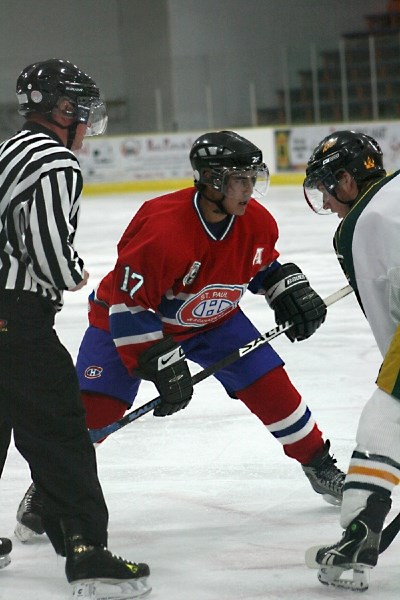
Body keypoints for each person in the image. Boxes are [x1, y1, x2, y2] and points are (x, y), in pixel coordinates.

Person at [16, 130, 346, 543]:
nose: (249, 190)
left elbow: (259, 264)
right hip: (124, 318)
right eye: (239, 180)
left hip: (213, 321)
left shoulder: (256, 221)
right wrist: (160, 366)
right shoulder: (162, 227)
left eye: (252, 178)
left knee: (272, 386)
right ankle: (50, 485)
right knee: (94, 414)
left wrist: (286, 287)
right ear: (211, 181)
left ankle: (318, 462)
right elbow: (130, 306)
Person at [0, 59, 151, 599]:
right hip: (16, 317)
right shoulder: (55, 160)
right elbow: (46, 251)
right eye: (83, 112)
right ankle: (86, 549)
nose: (87, 124)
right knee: (62, 431)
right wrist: (73, 270)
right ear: (60, 110)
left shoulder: (7, 150)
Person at [303, 130, 400, 592]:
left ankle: (362, 527)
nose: (328, 204)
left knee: (386, 411)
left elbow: (388, 322)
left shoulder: (359, 226)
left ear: (346, 181)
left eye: (327, 191)